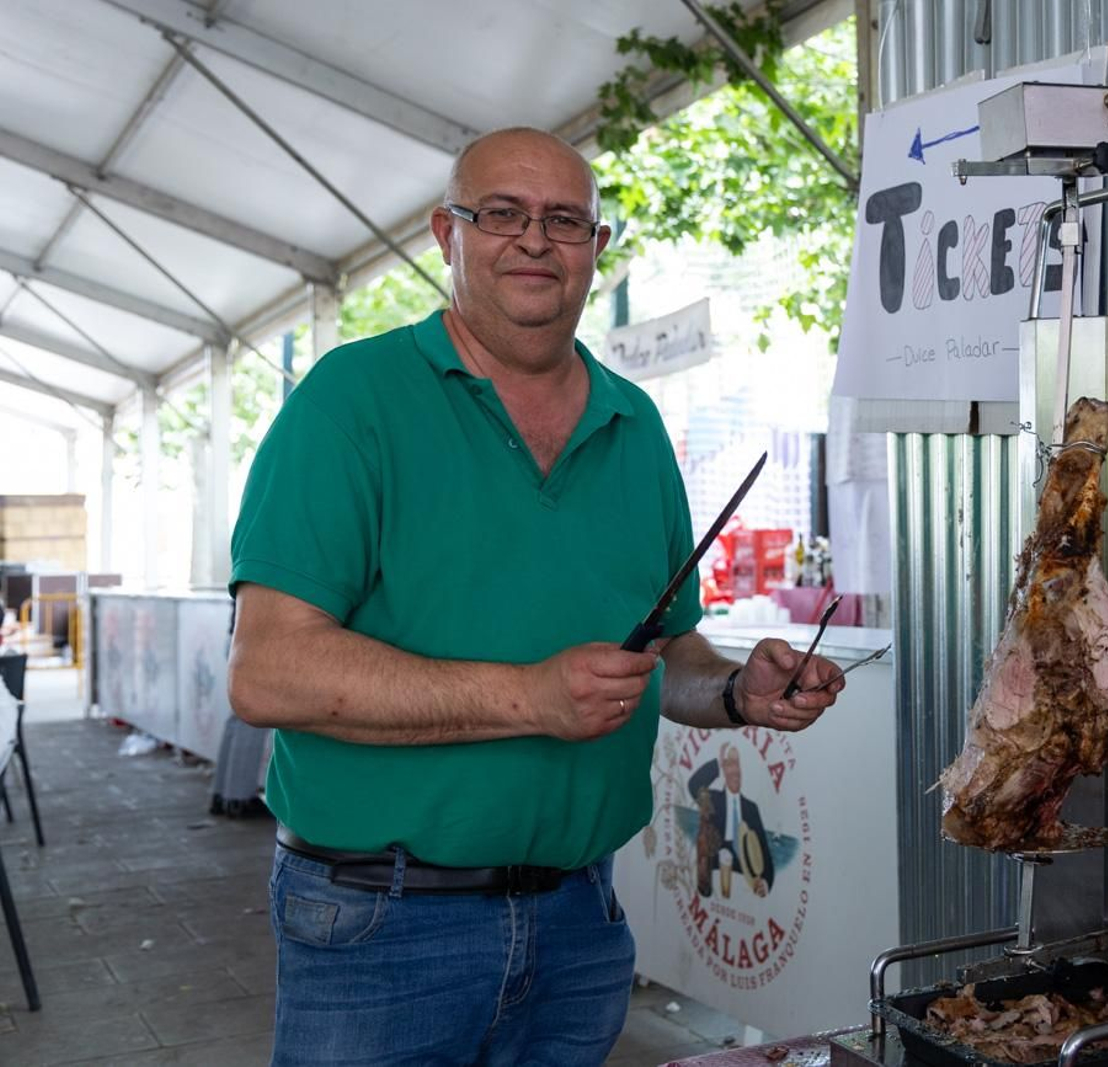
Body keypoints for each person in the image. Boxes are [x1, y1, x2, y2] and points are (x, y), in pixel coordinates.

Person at [227, 126, 844, 1067]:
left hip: (579, 920)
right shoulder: (352, 399)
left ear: (596, 250)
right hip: (380, 925)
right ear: (448, 233)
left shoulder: (633, 424)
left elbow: (665, 654)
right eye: (502, 214)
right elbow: (268, 671)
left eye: (564, 220)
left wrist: (732, 693)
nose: (534, 239)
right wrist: (528, 697)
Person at [687, 743, 775, 898]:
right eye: (729, 766)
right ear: (724, 771)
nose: (735, 772)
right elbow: (694, 785)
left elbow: (764, 851)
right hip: (715, 873)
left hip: (744, 874)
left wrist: (765, 882)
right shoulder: (712, 800)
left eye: (737, 767)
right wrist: (717, 764)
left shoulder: (751, 809)